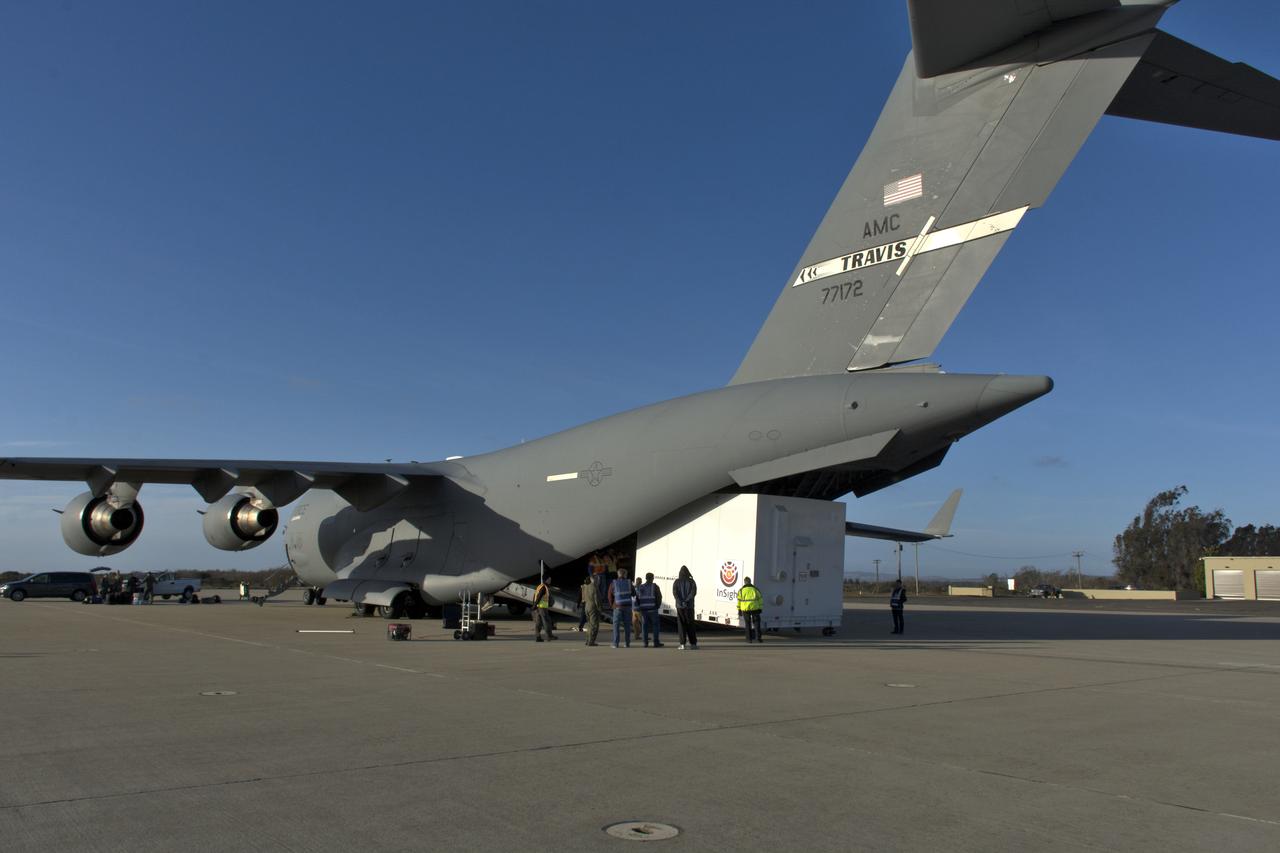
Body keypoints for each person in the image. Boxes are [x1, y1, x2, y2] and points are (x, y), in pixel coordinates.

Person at [634, 572, 664, 648]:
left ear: (646, 578)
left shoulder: (641, 587)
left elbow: (636, 598)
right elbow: (659, 597)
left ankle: (645, 643)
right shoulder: (655, 586)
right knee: (655, 626)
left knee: (645, 626)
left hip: (644, 610)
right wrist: (657, 606)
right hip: (653, 609)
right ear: (652, 578)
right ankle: (656, 643)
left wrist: (639, 607)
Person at [672, 565, 698, 650]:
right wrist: (687, 600)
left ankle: (682, 644)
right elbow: (693, 593)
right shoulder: (692, 581)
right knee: (691, 625)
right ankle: (693, 644)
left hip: (680, 607)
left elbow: (675, 593)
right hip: (689, 606)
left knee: (681, 625)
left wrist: (681, 601)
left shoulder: (676, 582)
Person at [608, 569, 635, 648]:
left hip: (617, 607)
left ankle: (615, 644)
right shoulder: (629, 583)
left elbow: (609, 595)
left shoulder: (614, 583)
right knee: (627, 626)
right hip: (628, 607)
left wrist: (612, 605)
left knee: (616, 626)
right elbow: (634, 594)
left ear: (618, 574)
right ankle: (627, 643)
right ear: (625, 575)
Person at [738, 576, 763, 643]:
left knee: (747, 624)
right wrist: (760, 608)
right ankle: (758, 638)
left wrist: (739, 609)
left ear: (745, 582)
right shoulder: (755, 589)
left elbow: (739, 601)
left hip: (745, 609)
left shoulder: (741, 590)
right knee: (757, 623)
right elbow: (760, 599)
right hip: (755, 608)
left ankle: (749, 639)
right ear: (750, 581)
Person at [580, 573, 602, 646]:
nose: (599, 581)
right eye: (598, 579)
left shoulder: (586, 587)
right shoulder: (595, 587)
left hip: (587, 607)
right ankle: (591, 641)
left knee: (589, 625)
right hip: (593, 608)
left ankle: (588, 640)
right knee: (594, 625)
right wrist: (600, 609)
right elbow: (597, 600)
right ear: (595, 580)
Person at [533, 578, 557, 642]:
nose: (550, 580)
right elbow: (539, 596)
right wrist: (535, 605)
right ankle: (549, 636)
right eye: (549, 579)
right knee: (547, 622)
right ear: (545, 580)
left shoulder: (539, 586)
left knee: (538, 623)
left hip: (538, 607)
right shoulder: (544, 587)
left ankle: (538, 637)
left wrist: (534, 605)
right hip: (542, 608)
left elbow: (535, 595)